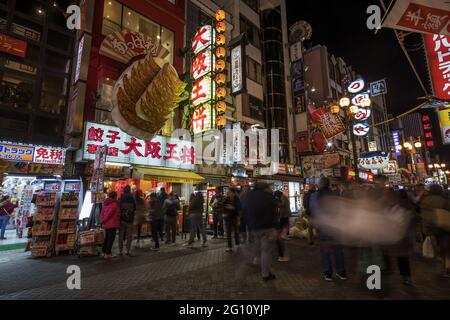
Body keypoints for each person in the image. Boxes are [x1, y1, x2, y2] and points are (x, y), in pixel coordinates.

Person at [310, 177, 347, 281]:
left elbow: (313, 211)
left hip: (322, 227)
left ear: (320, 184)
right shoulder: (335, 194)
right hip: (335, 226)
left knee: (325, 251)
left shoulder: (314, 196)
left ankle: (328, 274)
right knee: (338, 251)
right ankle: (341, 272)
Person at [244, 182, 278, 281]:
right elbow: (274, 211)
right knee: (266, 251)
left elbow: (245, 210)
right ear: (265, 188)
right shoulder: (268, 196)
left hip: (254, 228)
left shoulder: (249, 196)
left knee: (259, 248)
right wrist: (276, 226)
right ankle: (266, 274)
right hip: (267, 228)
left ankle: (259, 262)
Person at [420, 184, 450, 278]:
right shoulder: (443, 201)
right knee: (447, 249)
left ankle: (441, 267)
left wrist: (425, 230)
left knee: (438, 249)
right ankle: (447, 269)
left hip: (431, 228)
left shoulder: (425, 201)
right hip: (444, 227)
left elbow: (423, 216)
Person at [100, 192, 121, 259]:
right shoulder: (114, 204)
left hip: (106, 223)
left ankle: (103, 252)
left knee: (106, 238)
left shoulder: (105, 203)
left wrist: (103, 220)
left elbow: (102, 213)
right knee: (110, 239)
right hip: (112, 223)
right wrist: (104, 220)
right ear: (115, 196)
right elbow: (109, 214)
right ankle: (107, 253)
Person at [119, 186, 136, 256]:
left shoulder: (121, 197)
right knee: (129, 235)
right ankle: (128, 250)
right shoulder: (132, 198)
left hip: (122, 219)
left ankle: (120, 251)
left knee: (121, 235)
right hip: (130, 219)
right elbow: (135, 208)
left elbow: (119, 207)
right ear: (129, 190)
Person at [274, 190, 291, 262]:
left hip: (284, 214)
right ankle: (285, 235)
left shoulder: (282, 198)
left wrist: (277, 204)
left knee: (284, 224)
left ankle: (285, 235)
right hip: (284, 214)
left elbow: (283, 205)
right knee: (285, 224)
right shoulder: (283, 197)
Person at [223, 188, 241, 252]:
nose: (229, 193)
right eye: (229, 192)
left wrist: (233, 208)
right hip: (227, 218)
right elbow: (224, 206)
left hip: (234, 217)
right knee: (228, 233)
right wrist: (228, 207)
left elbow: (239, 208)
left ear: (233, 193)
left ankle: (237, 243)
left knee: (236, 231)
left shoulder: (237, 199)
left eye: (230, 192)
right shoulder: (226, 199)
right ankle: (229, 246)